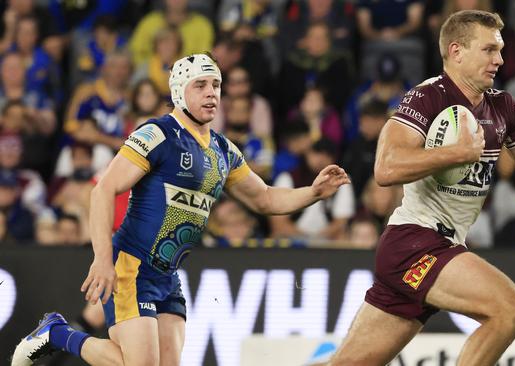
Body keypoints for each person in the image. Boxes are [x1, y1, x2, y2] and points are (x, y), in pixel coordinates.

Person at [11, 52, 350, 366]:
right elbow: (104, 191)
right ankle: (55, 333)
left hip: (168, 275)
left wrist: (314, 192)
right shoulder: (158, 133)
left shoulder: (224, 151)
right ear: (178, 90)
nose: (212, 93)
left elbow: (264, 199)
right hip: (132, 266)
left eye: (216, 85)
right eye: (200, 85)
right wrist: (102, 259)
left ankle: (57, 333)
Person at [327, 10, 515, 366]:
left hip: (439, 246)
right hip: (414, 243)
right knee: (511, 310)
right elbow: (385, 169)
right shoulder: (427, 98)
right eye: (490, 50)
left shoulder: (503, 106)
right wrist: (456, 153)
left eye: (501, 50)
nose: (500, 59)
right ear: (457, 51)